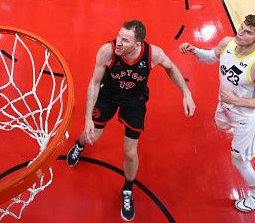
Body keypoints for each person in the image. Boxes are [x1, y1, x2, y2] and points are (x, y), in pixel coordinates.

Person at [66, 20, 195, 221]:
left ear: (137, 44)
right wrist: (87, 119)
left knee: (130, 152)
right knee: (93, 134)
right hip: (107, 96)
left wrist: (186, 92)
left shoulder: (153, 54)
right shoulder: (107, 51)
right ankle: (79, 145)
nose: (118, 43)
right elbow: (94, 82)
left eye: (125, 40)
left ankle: (128, 189)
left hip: (134, 102)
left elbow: (170, 67)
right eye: (118, 36)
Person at [179, 14, 255, 212]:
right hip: (226, 105)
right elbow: (210, 57)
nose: (240, 33)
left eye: (248, 32)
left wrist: (237, 100)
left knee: (238, 160)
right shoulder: (228, 43)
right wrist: (194, 50)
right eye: (241, 27)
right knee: (222, 125)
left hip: (244, 115)